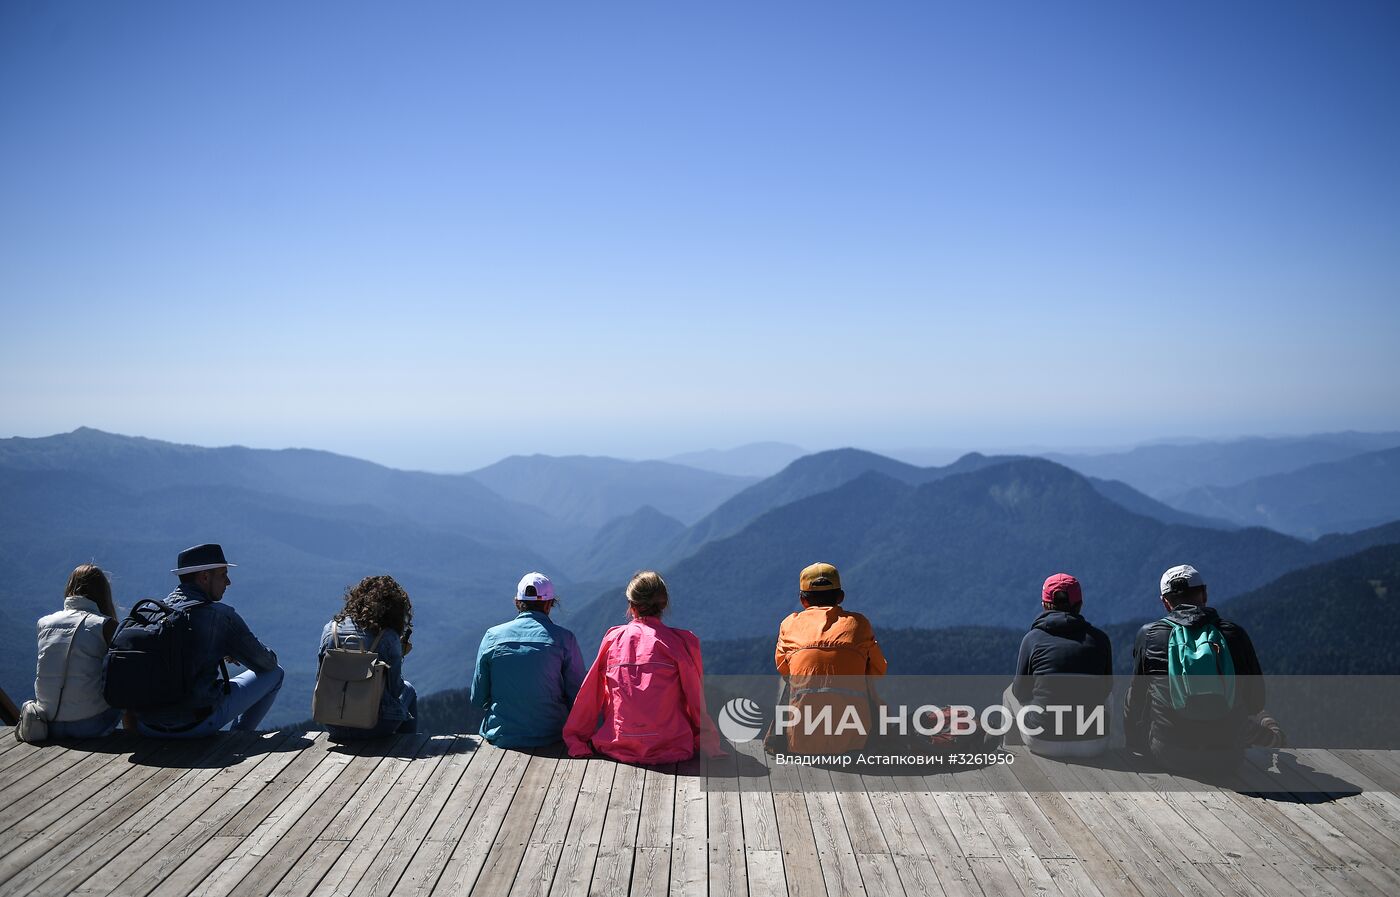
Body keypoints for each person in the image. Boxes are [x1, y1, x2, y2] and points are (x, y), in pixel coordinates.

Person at [1123, 564, 1281, 774]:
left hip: (1169, 754)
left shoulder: (1149, 635)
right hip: (1228, 757)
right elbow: (1255, 702)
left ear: (1165, 602)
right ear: (1204, 593)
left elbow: (1136, 702)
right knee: (1260, 713)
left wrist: (1135, 745)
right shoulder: (1234, 634)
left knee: (1136, 689)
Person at [563, 571, 724, 763]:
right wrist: (706, 740)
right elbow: (695, 699)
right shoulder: (681, 644)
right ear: (663, 604)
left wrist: (576, 739)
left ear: (631, 606)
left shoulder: (613, 639)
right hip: (670, 745)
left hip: (618, 743)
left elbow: (590, 695)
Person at [135, 543, 284, 738]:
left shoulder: (148, 612)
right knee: (275, 673)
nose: (228, 582)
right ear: (204, 577)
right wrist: (231, 646)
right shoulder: (220, 616)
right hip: (195, 725)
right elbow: (266, 663)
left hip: (147, 726)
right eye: (223, 574)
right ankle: (240, 738)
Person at [774, 562, 887, 754]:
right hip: (856, 742)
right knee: (864, 676)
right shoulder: (858, 624)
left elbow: (783, 669)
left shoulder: (790, 625)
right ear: (840, 597)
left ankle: (776, 743)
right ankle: (885, 739)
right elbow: (879, 670)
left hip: (801, 743)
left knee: (791, 679)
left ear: (802, 600)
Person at [1002, 573, 1113, 758]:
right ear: (1080, 604)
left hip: (1042, 741)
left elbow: (1020, 692)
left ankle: (1016, 759)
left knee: (1009, 692)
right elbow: (1106, 688)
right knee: (1107, 694)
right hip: (1093, 742)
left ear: (1044, 604)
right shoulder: (1100, 640)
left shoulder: (1032, 639)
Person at [471, 572, 585, 748]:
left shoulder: (492, 636)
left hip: (502, 736)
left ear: (517, 602)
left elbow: (478, 698)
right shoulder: (565, 639)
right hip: (553, 734)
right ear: (549, 604)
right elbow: (578, 696)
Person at [319, 574, 418, 740]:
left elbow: (320, 678)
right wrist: (396, 656)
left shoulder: (331, 630)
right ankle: (407, 745)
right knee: (409, 689)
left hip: (332, 722)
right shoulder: (388, 637)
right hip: (374, 725)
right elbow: (395, 690)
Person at [33, 564, 125, 738]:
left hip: (46, 723)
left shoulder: (43, 623)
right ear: (103, 592)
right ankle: (136, 739)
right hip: (90, 725)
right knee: (128, 683)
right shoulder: (105, 625)